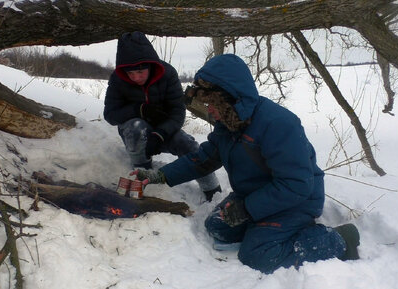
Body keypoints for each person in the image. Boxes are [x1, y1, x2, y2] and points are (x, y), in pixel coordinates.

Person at [132, 54, 360, 274]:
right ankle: (263, 227)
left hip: (296, 201)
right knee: (217, 226)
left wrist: (248, 209)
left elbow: (297, 184)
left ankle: (339, 240)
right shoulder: (228, 124)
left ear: (230, 99)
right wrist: (159, 176)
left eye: (212, 103)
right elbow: (203, 159)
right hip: (255, 194)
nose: (209, 110)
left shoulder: (279, 124)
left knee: (258, 255)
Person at [103, 31, 221, 201]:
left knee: (187, 144)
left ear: (150, 65)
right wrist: (139, 109)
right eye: (131, 74)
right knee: (136, 127)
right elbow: (110, 115)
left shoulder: (168, 74)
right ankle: (141, 170)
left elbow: (178, 112)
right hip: (134, 132)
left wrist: (160, 133)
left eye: (140, 72)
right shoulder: (117, 79)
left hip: (164, 130)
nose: (136, 78)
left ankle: (212, 191)